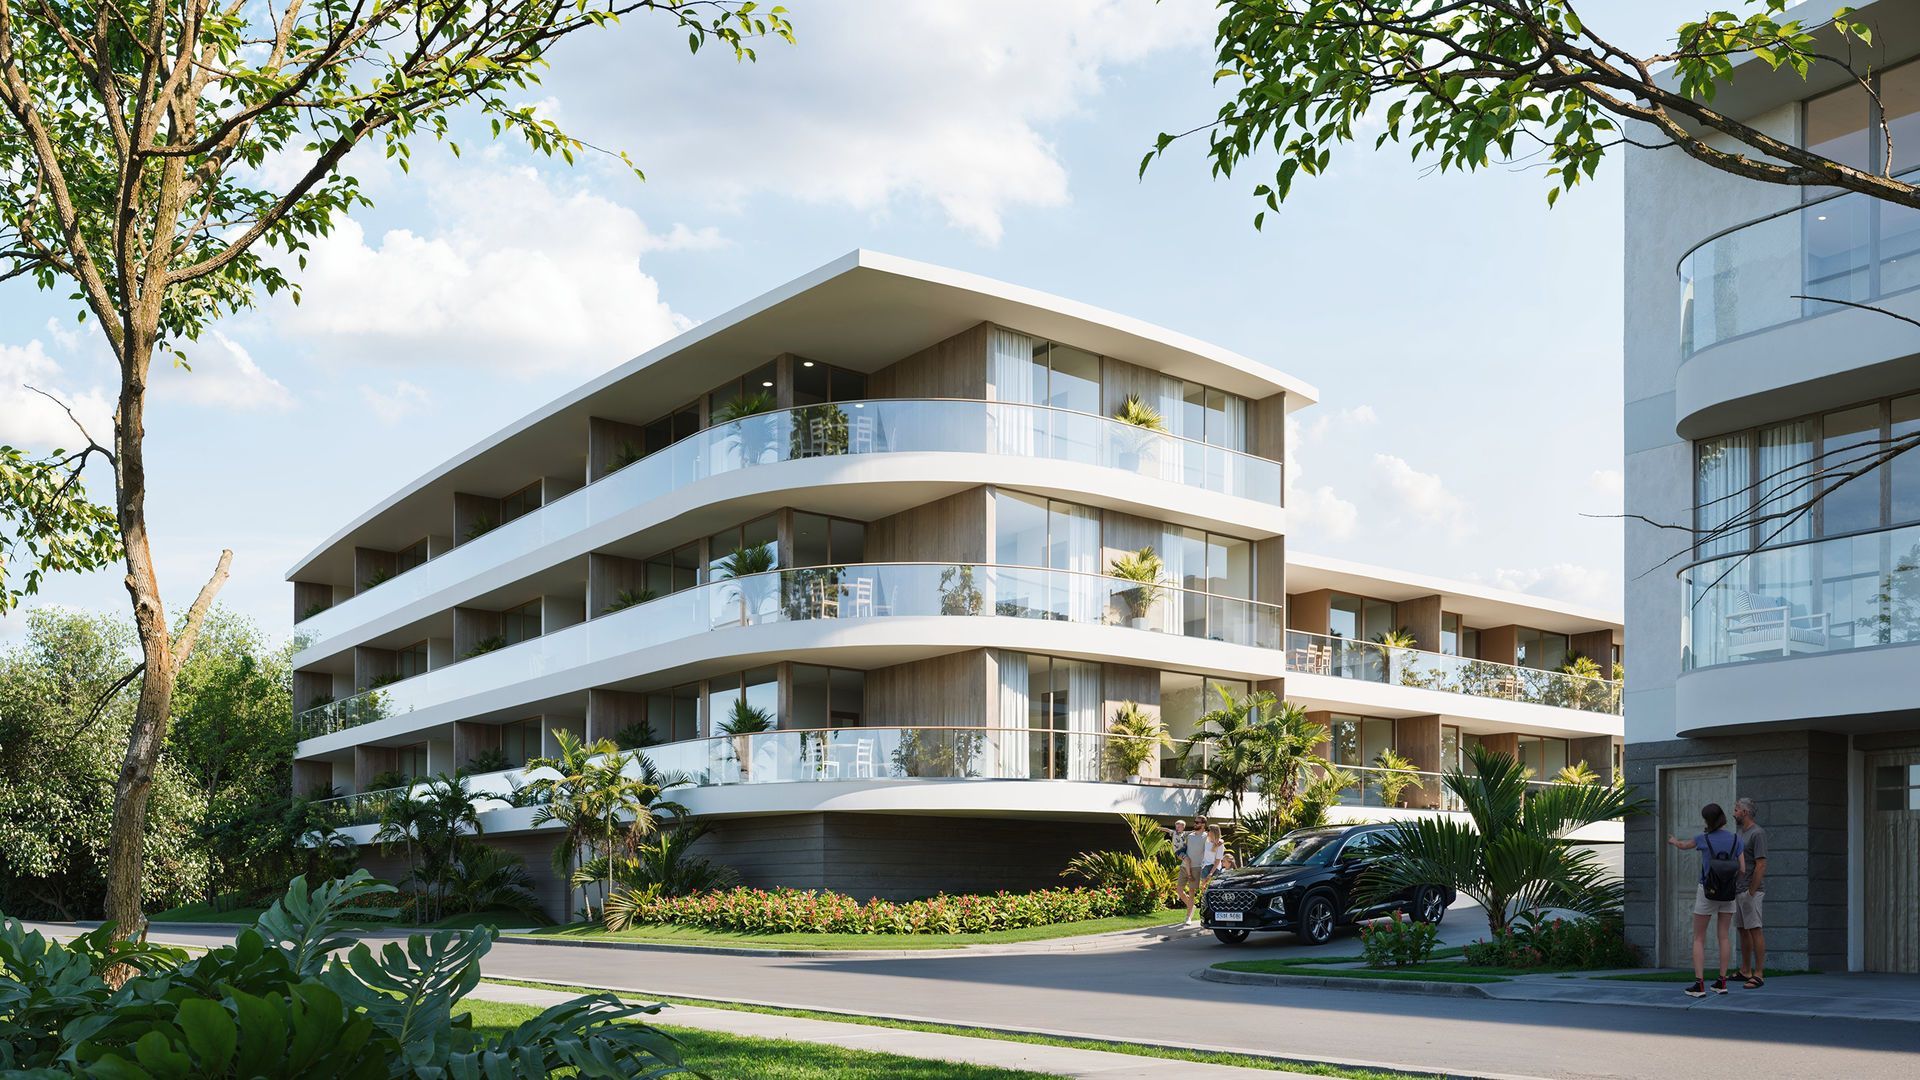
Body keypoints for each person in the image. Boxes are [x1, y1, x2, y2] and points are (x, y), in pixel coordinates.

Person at [1667, 803, 1746, 998]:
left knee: (1699, 938)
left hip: (1707, 891)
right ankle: (1721, 982)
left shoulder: (1703, 839)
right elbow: (1743, 869)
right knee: (1724, 937)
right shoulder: (1736, 840)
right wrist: (1731, 882)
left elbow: (1685, 846)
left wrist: (1674, 841)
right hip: (1728, 893)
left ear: (1707, 821)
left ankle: (1699, 985)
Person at [1732, 796, 1768, 988]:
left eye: (1736, 809)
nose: (1734, 812)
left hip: (1751, 891)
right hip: (1738, 890)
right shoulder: (1739, 832)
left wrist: (1752, 891)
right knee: (1742, 930)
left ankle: (1759, 974)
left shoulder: (1757, 833)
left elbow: (1761, 865)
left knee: (1755, 930)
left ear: (1745, 812)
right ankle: (1745, 971)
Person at [1168, 820, 1196, 924]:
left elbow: (1194, 832)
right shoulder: (1174, 833)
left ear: (1183, 827)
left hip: (1185, 853)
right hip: (1178, 852)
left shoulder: (1186, 834)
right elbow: (1166, 829)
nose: (1177, 828)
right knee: (1179, 890)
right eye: (1176, 826)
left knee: (1187, 859)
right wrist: (1157, 828)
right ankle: (1191, 905)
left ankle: (1190, 908)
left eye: (1179, 826)